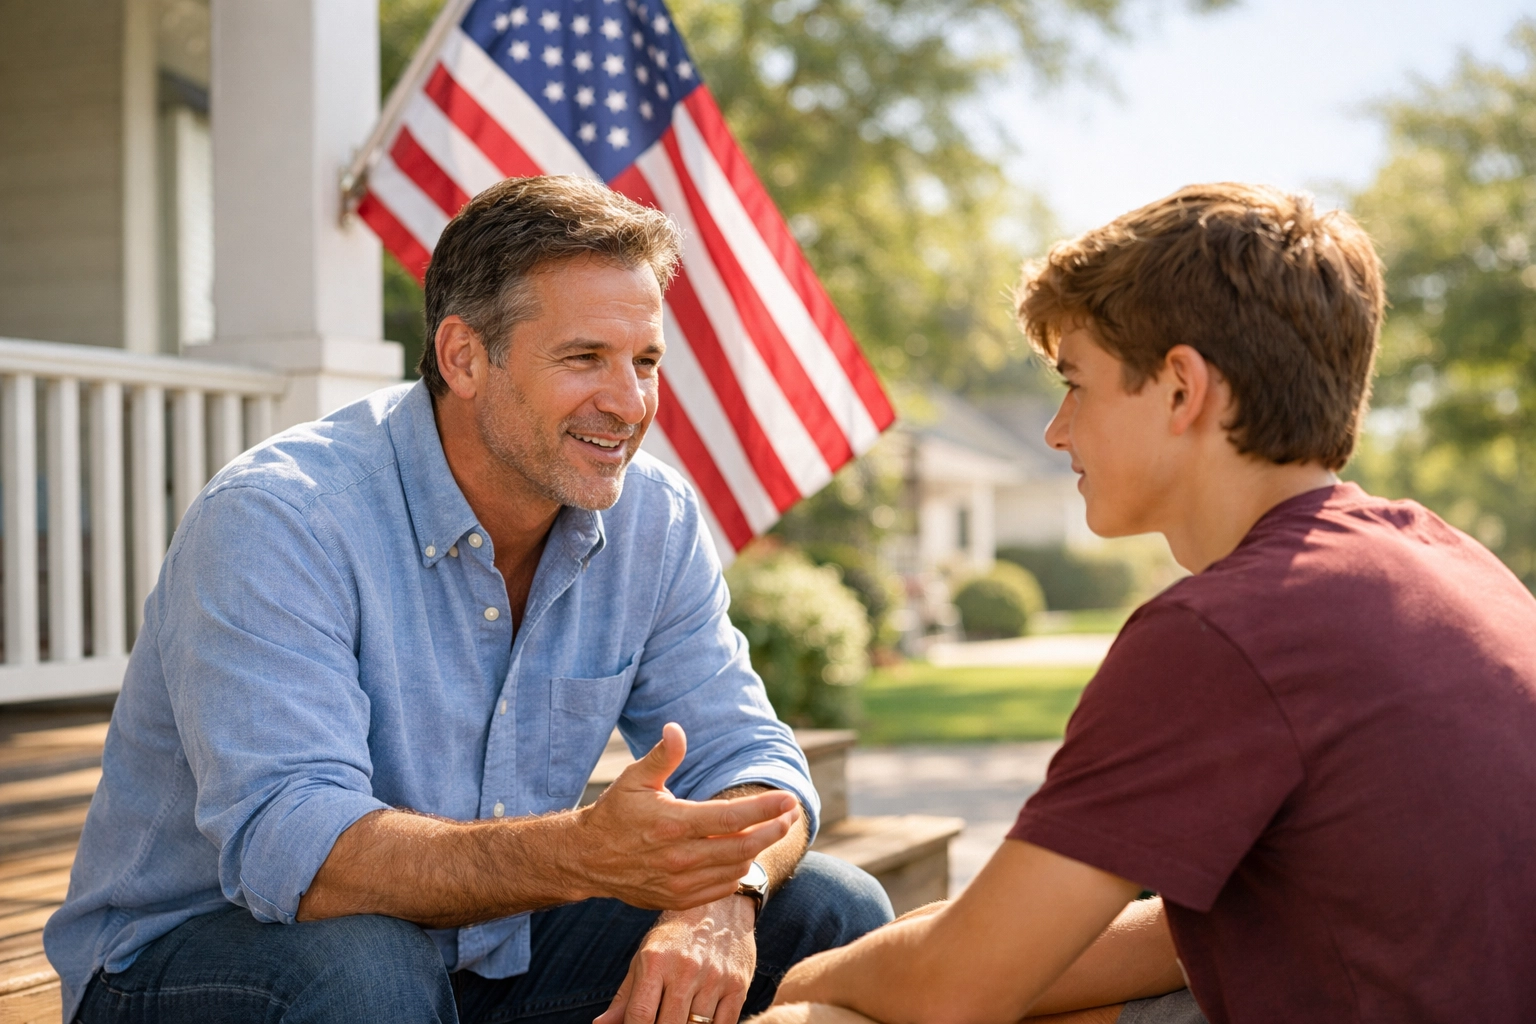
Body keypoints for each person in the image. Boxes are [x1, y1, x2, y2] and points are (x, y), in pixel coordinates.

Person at [44, 176, 893, 1024]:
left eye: (645, 361)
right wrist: (585, 853)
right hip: (193, 958)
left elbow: (752, 759)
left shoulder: (653, 520)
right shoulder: (280, 517)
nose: (631, 404)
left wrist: (721, 895)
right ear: (463, 357)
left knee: (830, 911)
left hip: (488, 948)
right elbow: (297, 849)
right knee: (367, 965)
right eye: (584, 358)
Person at [752, 183, 1536, 1024]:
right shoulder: (1450, 564)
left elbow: (956, 988)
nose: (1056, 430)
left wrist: (800, 987)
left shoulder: (1230, 630)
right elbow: (1173, 935)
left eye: (1077, 383)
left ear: (1180, 389)